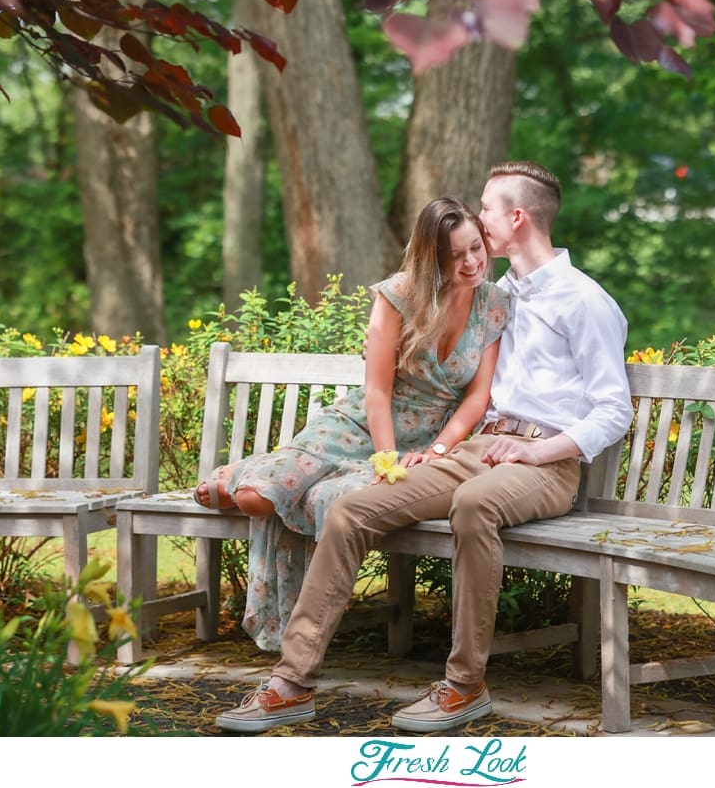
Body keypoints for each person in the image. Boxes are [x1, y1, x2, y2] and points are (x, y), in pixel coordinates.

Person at [215, 161, 634, 734]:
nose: (480, 217)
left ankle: (464, 686)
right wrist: (434, 451)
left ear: (516, 217)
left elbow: (615, 409)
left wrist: (539, 452)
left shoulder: (584, 301)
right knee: (352, 509)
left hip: (544, 463)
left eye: (486, 208)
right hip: (481, 449)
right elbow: (428, 326)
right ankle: (292, 682)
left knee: (474, 505)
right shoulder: (497, 295)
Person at [192, 197, 509, 651]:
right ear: (432, 258)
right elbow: (377, 390)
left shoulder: (494, 304)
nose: (472, 262)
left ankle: (256, 476)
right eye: (455, 256)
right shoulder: (398, 295)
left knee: (331, 499)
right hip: (361, 426)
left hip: (425, 441)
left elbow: (478, 397)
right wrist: (386, 456)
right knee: (255, 500)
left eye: (476, 248)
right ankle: (251, 473)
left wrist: (437, 451)